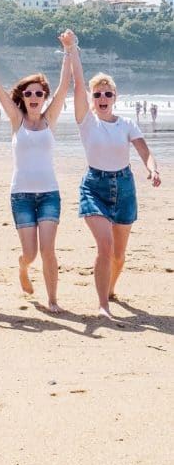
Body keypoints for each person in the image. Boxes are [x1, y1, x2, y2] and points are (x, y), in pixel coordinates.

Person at [67, 42, 161, 317]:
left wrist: (153, 169)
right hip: (94, 186)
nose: (103, 97)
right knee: (105, 246)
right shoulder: (86, 121)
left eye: (108, 93)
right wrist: (73, 51)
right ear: (92, 98)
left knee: (119, 256)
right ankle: (103, 305)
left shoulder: (127, 124)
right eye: (98, 94)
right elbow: (77, 83)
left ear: (115, 97)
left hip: (124, 187)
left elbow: (145, 152)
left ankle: (109, 289)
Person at [0, 31, 76, 312]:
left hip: (49, 194)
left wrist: (68, 49)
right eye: (29, 93)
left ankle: (52, 300)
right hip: (21, 196)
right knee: (30, 253)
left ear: (44, 96)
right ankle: (22, 268)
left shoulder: (50, 118)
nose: (34, 97)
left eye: (39, 93)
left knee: (48, 250)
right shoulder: (17, 119)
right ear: (23, 97)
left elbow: (65, 85)